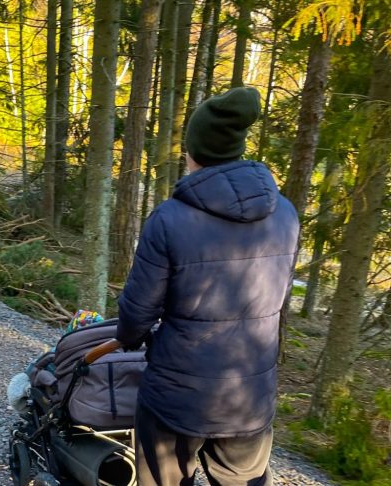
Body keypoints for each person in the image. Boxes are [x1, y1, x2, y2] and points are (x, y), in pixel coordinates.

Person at [116, 87, 299, 485]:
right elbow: (278, 297)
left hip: (177, 397)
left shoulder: (169, 218)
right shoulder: (285, 212)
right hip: (250, 396)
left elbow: (138, 311)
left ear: (194, 151)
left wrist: (128, 337)